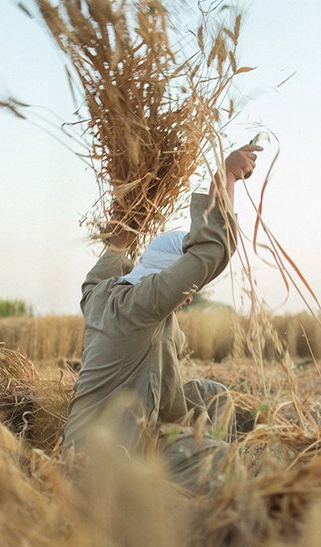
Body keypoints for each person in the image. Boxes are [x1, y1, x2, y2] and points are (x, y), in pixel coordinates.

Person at [64, 145, 261, 482]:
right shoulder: (142, 305)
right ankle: (199, 483)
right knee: (223, 463)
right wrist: (225, 176)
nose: (187, 296)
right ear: (166, 278)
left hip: (83, 439)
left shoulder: (99, 296)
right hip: (111, 454)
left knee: (213, 395)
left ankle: (193, 452)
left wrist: (119, 239)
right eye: (186, 287)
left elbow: (98, 272)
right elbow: (212, 249)